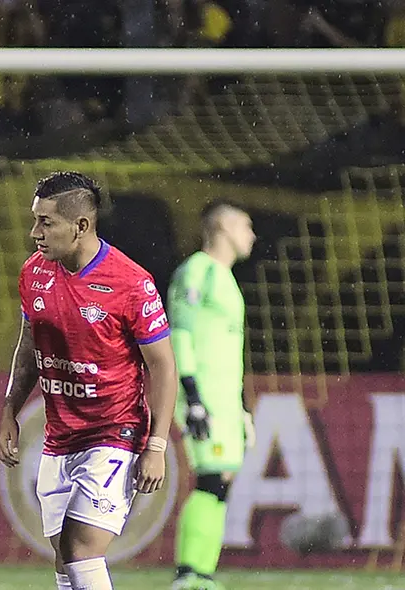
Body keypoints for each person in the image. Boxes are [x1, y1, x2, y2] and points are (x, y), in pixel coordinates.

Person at [0, 172, 179, 590]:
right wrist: (9, 409)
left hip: (115, 433)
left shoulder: (132, 282)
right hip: (59, 438)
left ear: (81, 226)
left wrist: (156, 445)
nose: (34, 232)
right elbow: (28, 349)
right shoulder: (34, 273)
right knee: (65, 560)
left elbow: (164, 367)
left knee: (81, 550)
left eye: (46, 222)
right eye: (35, 219)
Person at [168, 200, 256, 590]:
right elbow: (180, 333)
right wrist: (194, 397)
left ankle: (203, 574)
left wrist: (240, 409)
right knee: (210, 479)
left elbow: (226, 352)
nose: (252, 235)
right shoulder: (196, 271)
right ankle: (189, 574)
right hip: (201, 395)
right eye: (245, 226)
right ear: (222, 229)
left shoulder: (226, 279)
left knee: (222, 479)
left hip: (223, 401)